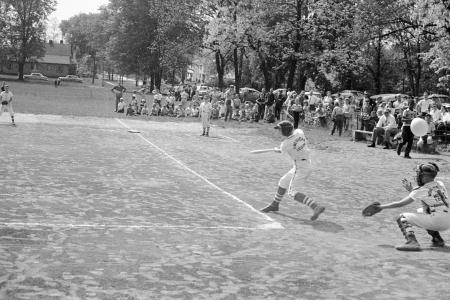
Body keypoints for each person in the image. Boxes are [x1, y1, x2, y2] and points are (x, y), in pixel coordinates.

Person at [367, 162, 450, 251]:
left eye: (419, 174)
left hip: (438, 221)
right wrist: (412, 190)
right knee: (421, 210)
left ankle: (412, 242)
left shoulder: (420, 190)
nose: (418, 176)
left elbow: (400, 203)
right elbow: (428, 194)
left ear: (425, 177)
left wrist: (380, 207)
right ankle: (437, 239)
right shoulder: (440, 184)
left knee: (402, 217)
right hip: (447, 220)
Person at [260, 121, 325, 220]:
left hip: (301, 167)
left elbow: (281, 150)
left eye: (280, 130)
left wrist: (276, 149)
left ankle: (316, 207)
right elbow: (291, 142)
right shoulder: (299, 132)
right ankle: (275, 204)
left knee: (292, 192)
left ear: (285, 131)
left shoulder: (285, 144)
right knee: (283, 181)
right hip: (305, 163)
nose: (279, 131)